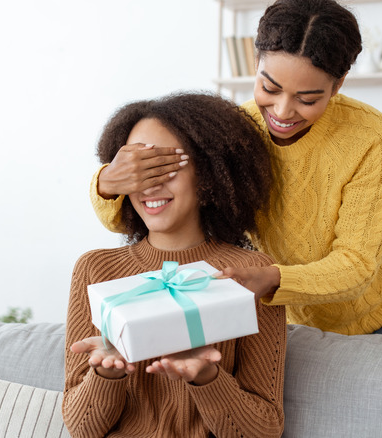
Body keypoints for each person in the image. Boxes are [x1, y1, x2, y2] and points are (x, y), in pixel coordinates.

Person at [89, 0, 382, 341]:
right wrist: (107, 183)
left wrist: (271, 278)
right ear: (256, 63)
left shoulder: (372, 137)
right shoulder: (235, 128)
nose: (283, 111)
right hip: (289, 307)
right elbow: (141, 219)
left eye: (307, 99)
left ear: (338, 84)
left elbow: (357, 266)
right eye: (269, 88)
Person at [63, 92, 287, 438]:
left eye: (168, 167)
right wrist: (107, 373)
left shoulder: (252, 275)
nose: (150, 183)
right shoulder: (95, 270)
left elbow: (264, 429)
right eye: (136, 169)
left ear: (209, 176)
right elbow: (81, 428)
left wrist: (207, 378)